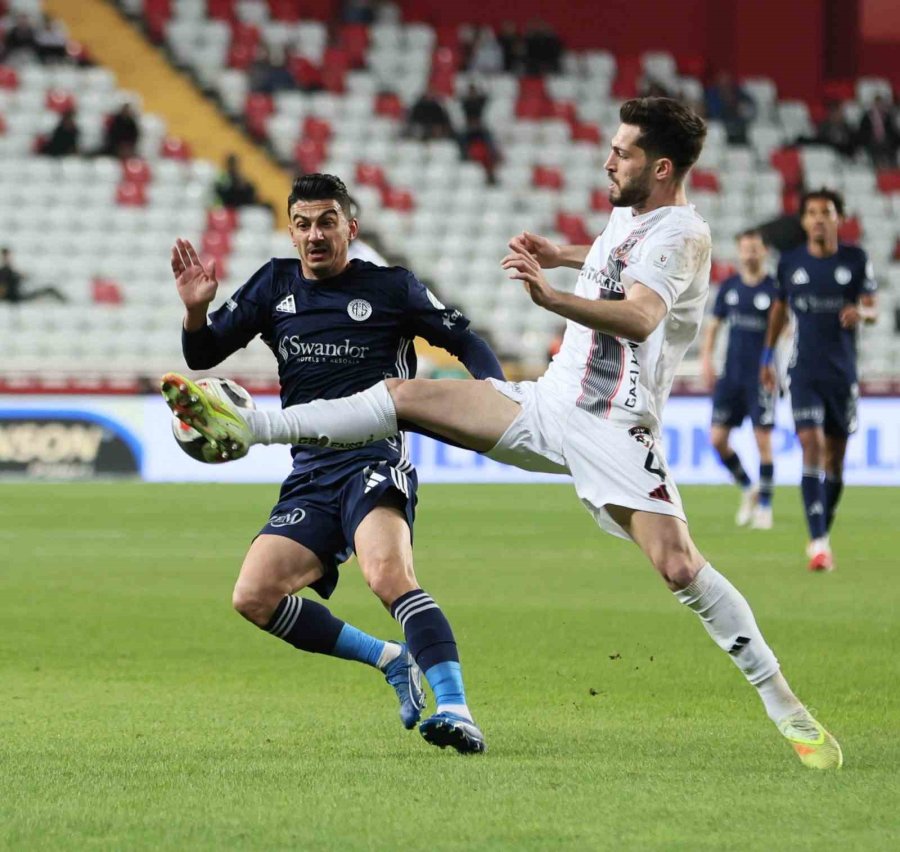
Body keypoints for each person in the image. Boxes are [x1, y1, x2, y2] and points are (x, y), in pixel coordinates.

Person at [163, 99, 844, 770]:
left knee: (680, 568)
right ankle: (254, 427)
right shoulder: (633, 220)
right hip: (548, 404)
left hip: (613, 428)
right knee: (402, 396)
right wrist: (565, 254)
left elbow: (638, 317)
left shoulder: (683, 235)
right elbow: (616, 258)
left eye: (623, 152)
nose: (608, 160)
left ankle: (783, 702)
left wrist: (549, 295)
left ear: (661, 167)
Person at [161, 174, 504, 754]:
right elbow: (204, 354)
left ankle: (456, 707)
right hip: (310, 473)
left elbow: (464, 340)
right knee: (253, 596)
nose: (314, 235)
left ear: (351, 226)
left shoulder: (392, 287)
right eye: (302, 224)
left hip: (374, 458)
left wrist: (498, 397)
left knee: (387, 577)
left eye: (326, 222)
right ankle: (392, 661)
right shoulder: (274, 284)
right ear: (291, 230)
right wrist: (197, 313)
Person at [760, 188, 878, 572]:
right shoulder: (790, 263)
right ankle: (818, 542)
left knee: (836, 461)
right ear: (805, 221)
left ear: (838, 219)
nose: (819, 219)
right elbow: (778, 311)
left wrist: (861, 312)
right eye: (812, 212)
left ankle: (821, 532)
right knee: (810, 443)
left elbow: (873, 309)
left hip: (842, 375)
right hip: (803, 371)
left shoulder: (855, 260)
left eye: (826, 212)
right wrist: (767, 356)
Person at [700, 230, 779, 529]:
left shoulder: (774, 289)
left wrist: (773, 362)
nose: (750, 254)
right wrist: (707, 359)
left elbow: (785, 327)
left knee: (764, 443)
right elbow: (714, 325)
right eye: (745, 249)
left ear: (764, 252)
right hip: (731, 376)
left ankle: (765, 508)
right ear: (739, 252)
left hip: (760, 377)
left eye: (755, 249)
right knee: (717, 440)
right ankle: (749, 488)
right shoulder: (730, 288)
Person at [0, 247, 66, 303]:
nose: (9, 258)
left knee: (49, 290)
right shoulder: (4, 271)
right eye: (6, 256)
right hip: (15, 299)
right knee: (49, 291)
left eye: (9, 256)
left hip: (20, 296)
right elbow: (3, 291)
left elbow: (24, 279)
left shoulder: (12, 270)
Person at [856, 95, 899, 169]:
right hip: (871, 142)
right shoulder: (867, 116)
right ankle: (876, 168)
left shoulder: (887, 116)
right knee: (874, 151)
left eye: (881, 103)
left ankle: (893, 169)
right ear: (873, 104)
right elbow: (862, 131)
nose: (879, 105)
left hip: (886, 141)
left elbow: (892, 130)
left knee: (892, 149)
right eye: (877, 103)